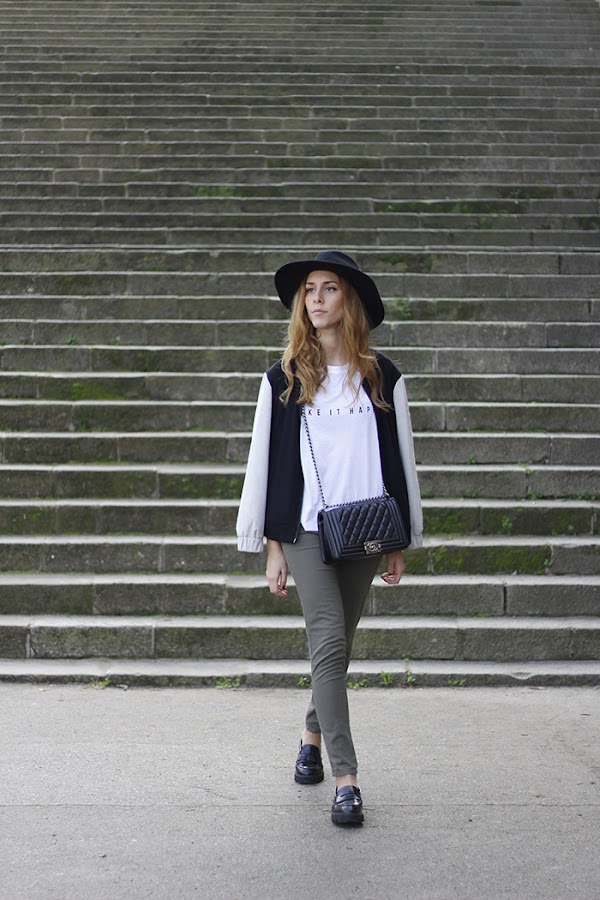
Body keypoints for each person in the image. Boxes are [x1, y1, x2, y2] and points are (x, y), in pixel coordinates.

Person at [236, 250, 423, 826]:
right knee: (328, 639)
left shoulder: (382, 376)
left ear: (350, 300)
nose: (316, 299)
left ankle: (310, 737)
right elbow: (266, 465)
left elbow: (399, 460)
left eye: (329, 288)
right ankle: (347, 780)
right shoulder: (284, 378)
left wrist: (399, 538)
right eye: (309, 290)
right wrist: (272, 545)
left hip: (366, 529)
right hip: (306, 532)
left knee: (337, 646)